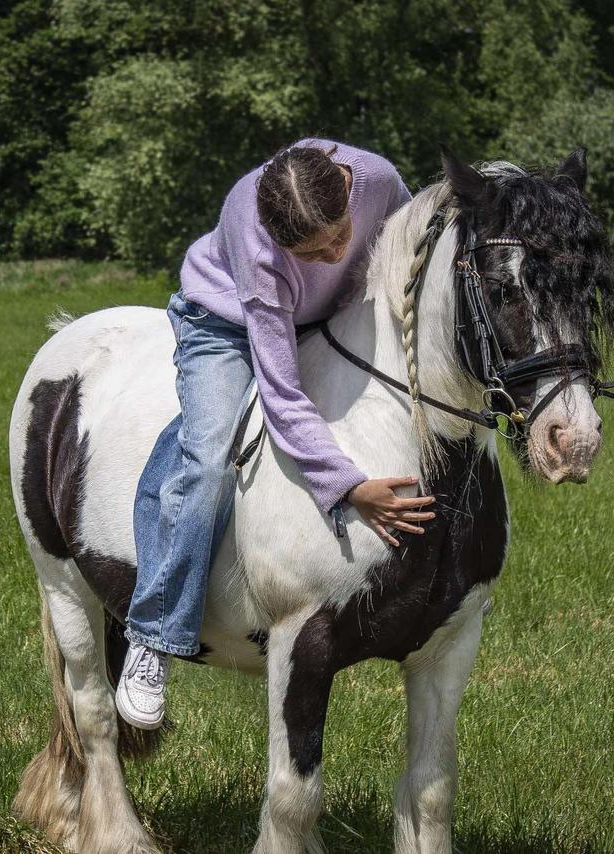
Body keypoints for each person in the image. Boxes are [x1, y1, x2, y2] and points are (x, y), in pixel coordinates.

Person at [115, 138, 438, 730]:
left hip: (329, 318)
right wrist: (348, 487)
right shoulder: (254, 233)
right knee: (210, 457)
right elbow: (282, 394)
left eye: (339, 236)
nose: (336, 252)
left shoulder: (381, 180)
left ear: (345, 188)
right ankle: (152, 634)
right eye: (313, 253)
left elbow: (411, 259)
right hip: (228, 324)